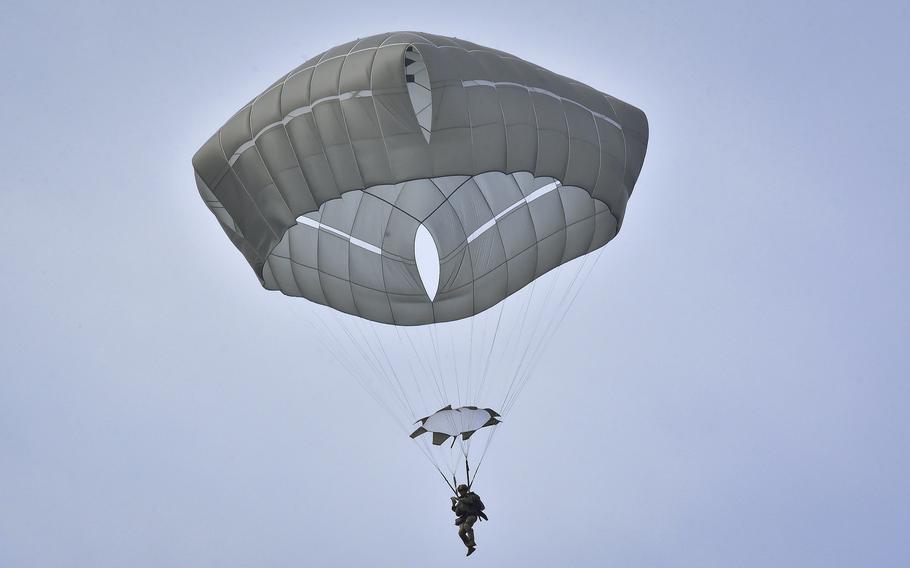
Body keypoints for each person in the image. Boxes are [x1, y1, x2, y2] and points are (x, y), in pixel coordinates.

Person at [450, 484, 487, 556]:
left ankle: (471, 540)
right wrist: (454, 504)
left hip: (472, 515)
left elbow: (470, 501)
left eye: (462, 491)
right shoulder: (460, 502)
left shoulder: (472, 496)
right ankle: (470, 547)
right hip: (464, 518)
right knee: (461, 533)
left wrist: (459, 499)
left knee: (467, 525)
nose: (461, 492)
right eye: (460, 491)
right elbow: (458, 513)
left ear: (465, 490)